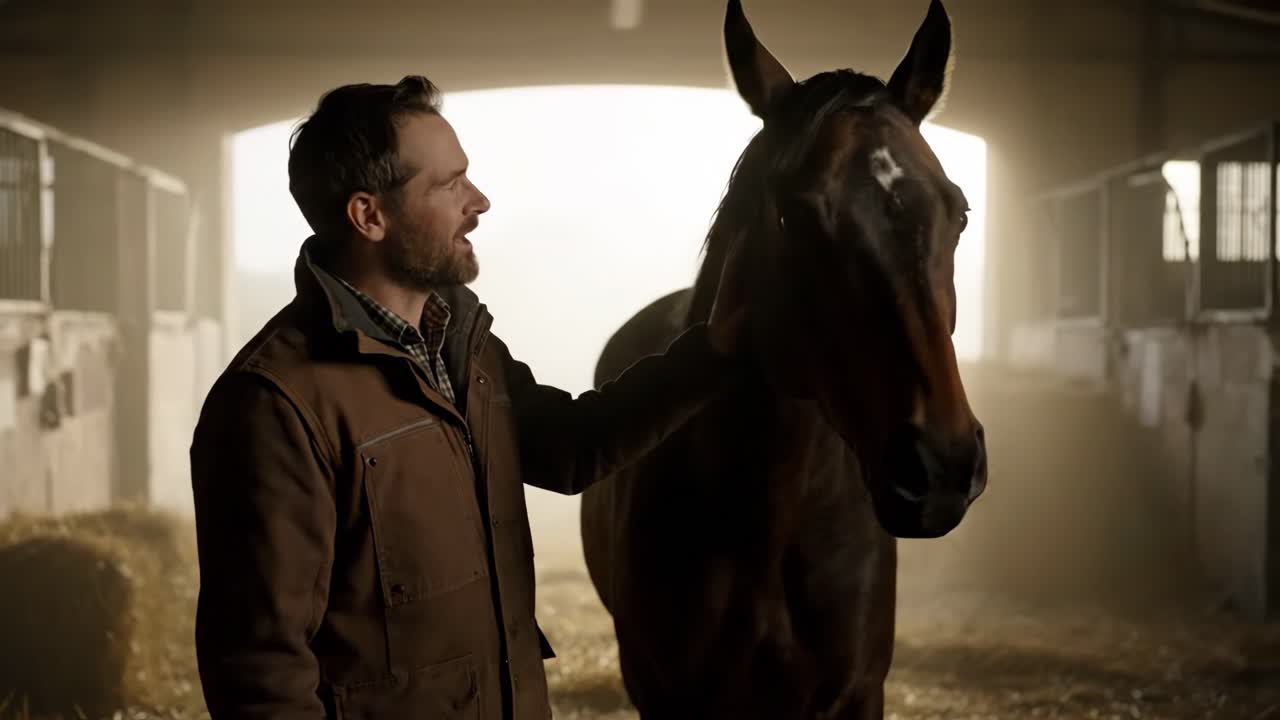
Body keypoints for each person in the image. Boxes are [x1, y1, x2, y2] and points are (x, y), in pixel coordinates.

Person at [189, 75, 747, 720]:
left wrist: (713, 352)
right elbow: (261, 672)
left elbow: (569, 448)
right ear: (369, 215)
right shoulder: (275, 404)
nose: (478, 201)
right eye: (448, 184)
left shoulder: (462, 344)